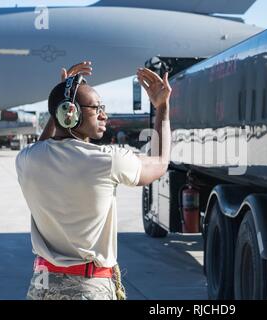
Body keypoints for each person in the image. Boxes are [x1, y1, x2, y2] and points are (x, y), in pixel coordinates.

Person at [16, 61, 172, 300]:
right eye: (96, 108)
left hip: (40, 285)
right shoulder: (107, 161)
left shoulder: (26, 159)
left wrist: (63, 96)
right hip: (88, 288)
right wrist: (162, 107)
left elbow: (43, 145)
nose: (104, 115)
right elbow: (160, 162)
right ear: (71, 113)